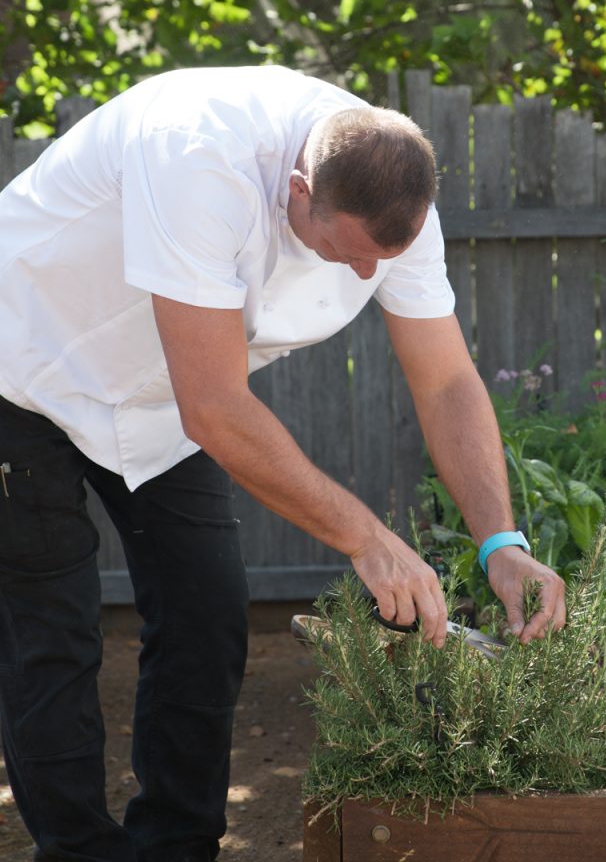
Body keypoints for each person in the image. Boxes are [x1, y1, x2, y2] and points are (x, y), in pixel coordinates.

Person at [0, 64, 566, 862]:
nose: (368, 277)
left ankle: (176, 846)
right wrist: (368, 539)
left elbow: (444, 381)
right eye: (350, 255)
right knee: (53, 633)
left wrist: (500, 544)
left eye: (380, 261)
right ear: (299, 189)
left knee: (206, 612)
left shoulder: (395, 196)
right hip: (24, 364)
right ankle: (77, 852)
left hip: (160, 397)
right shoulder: (197, 156)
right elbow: (217, 407)